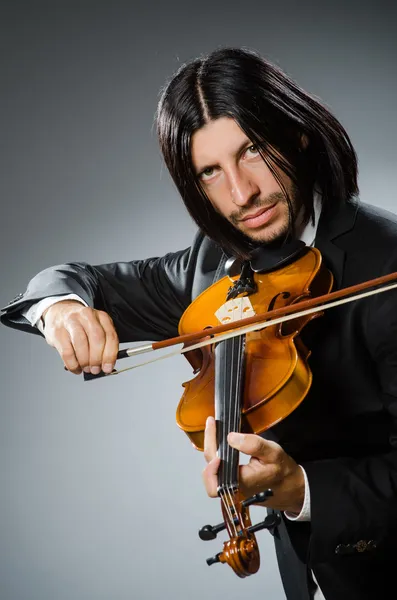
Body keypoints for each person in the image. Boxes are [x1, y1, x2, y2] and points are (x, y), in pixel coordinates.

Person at [2, 46, 397, 600]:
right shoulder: (216, 266)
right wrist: (60, 309)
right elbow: (69, 278)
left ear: (299, 135)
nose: (242, 195)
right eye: (210, 171)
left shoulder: (386, 266)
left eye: (254, 151)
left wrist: (301, 488)